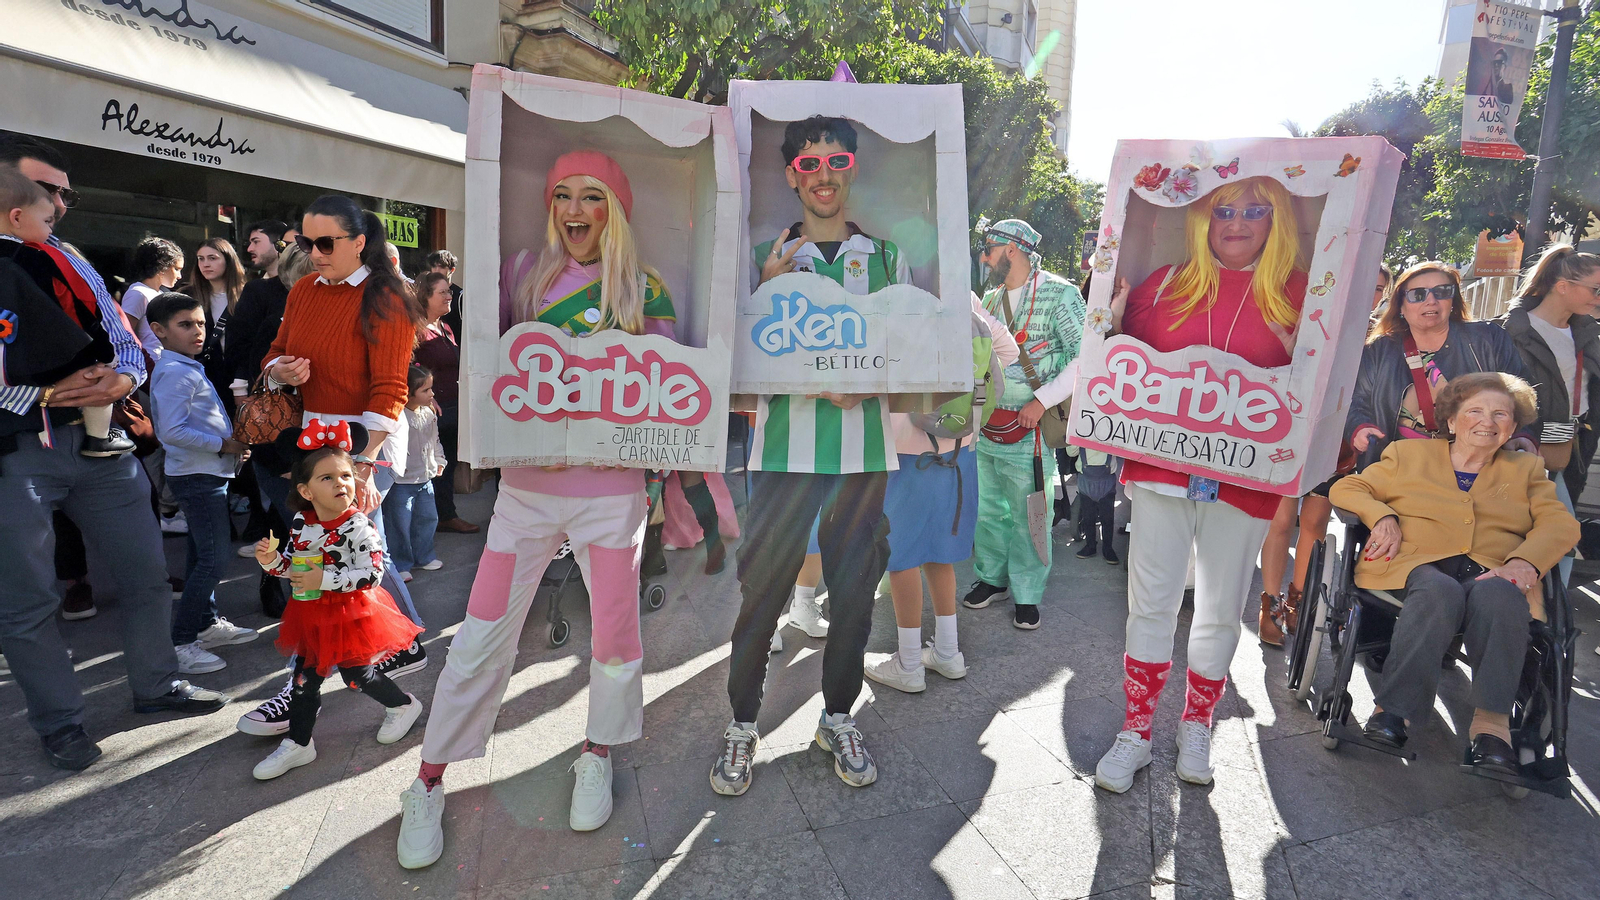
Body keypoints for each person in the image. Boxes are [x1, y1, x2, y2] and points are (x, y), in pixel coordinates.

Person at [398, 151, 675, 866]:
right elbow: (485, 364)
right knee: (482, 633)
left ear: (615, 207)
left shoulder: (647, 291)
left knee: (613, 634)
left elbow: (665, 400)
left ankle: (597, 750)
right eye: (561, 196)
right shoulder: (521, 273)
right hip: (524, 493)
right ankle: (429, 779)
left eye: (591, 196)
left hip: (611, 494)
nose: (574, 211)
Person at [0, 133, 228, 771]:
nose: (61, 204)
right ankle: (60, 723)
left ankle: (157, 686)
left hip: (102, 439)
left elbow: (124, 341)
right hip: (17, 449)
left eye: (65, 193)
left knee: (146, 573)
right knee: (27, 600)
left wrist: (125, 378)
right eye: (48, 191)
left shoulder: (70, 257)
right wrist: (40, 392)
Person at [1092, 176, 1309, 793]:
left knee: (1219, 609)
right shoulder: (1163, 285)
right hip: (1161, 471)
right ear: (1202, 219)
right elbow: (1111, 364)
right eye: (1223, 210)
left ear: (1278, 220)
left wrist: (1305, 353)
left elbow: (1318, 393)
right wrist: (1101, 314)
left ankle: (1198, 723)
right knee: (1151, 604)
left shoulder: (1301, 296)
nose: (1236, 222)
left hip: (1244, 483)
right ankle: (1135, 730)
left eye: (1254, 211)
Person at [711, 116, 902, 798]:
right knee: (761, 595)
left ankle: (838, 716)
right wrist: (764, 290)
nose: (824, 173)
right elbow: (733, 369)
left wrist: (872, 380)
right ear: (793, 174)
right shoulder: (765, 255)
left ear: (850, 169)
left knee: (853, 599)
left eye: (837, 159)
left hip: (864, 455)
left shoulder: (886, 259)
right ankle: (741, 725)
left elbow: (909, 356)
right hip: (784, 454)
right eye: (810, 162)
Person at [242, 194, 428, 738]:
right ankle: (395, 647)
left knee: (329, 559)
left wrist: (362, 466)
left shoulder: (386, 297)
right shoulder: (302, 290)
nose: (314, 253)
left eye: (326, 243)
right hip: (311, 437)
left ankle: (307, 684)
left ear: (359, 242)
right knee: (344, 556)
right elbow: (272, 352)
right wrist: (282, 369)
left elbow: (391, 387)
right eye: (304, 242)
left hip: (364, 442)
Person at [1331, 373, 1578, 774]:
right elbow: (1349, 489)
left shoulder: (1527, 469)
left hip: (1491, 570)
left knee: (1501, 597)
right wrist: (1383, 517)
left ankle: (1492, 728)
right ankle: (1393, 711)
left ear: (1513, 428)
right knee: (1438, 591)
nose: (1488, 421)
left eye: (1501, 414)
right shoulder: (1407, 455)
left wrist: (1524, 563)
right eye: (1475, 411)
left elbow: (1561, 526)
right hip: (1413, 564)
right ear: (1451, 420)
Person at [250, 421, 424, 780]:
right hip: (312, 612)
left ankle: (403, 705)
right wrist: (273, 562)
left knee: (356, 675)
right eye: (326, 478)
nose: (340, 483)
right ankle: (299, 743)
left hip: (351, 613)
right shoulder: (302, 522)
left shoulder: (360, 527)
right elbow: (298, 568)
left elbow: (372, 575)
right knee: (304, 679)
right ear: (306, 490)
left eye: (345, 475)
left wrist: (324, 578)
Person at [864, 296, 1019, 692]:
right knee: (940, 552)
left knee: (900, 556)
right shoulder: (963, 298)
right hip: (959, 444)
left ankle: (910, 661)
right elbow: (1008, 350)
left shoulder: (894, 296)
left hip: (904, 444)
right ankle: (948, 652)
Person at [961, 219, 1086, 630]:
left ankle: (1028, 593)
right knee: (987, 511)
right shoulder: (991, 299)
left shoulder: (1061, 293)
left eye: (990, 247)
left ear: (1013, 249)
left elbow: (1085, 356)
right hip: (987, 426)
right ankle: (991, 579)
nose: (984, 256)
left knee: (1032, 511)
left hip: (1030, 429)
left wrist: (1041, 400)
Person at [146, 291, 260, 674]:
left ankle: (206, 625)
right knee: (213, 559)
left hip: (208, 471)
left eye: (200, 323)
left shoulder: (186, 366)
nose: (198, 331)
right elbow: (171, 431)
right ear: (159, 331)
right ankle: (181, 643)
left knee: (200, 552)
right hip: (197, 476)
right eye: (185, 325)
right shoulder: (175, 372)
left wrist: (229, 447)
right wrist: (223, 444)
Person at [1346, 261, 1534, 472]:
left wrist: (1522, 436)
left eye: (1442, 292)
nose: (1431, 301)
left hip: (1476, 465)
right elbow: (1355, 400)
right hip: (1398, 467)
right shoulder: (1379, 350)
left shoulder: (1488, 339)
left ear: (1452, 300)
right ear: (1400, 305)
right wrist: (1360, 427)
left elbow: (1522, 396)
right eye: (1418, 294)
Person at [0, 169, 133, 459]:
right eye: (47, 221)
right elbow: (77, 306)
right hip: (57, 357)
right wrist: (104, 349)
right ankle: (99, 439)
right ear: (17, 217)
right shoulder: (41, 258)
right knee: (96, 375)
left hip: (13, 368)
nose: (52, 228)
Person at [1497, 244, 1600, 587]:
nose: (1598, 297)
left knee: (1560, 532)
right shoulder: (1511, 332)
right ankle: (1532, 607)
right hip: (1522, 444)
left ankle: (1546, 607)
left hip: (1573, 443)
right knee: (1551, 532)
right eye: (1595, 289)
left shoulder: (1589, 333)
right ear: (1563, 286)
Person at [411, 271, 477, 535]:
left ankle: (445, 515)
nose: (450, 296)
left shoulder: (446, 327)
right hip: (431, 411)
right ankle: (429, 522)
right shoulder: (415, 330)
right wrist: (426, 396)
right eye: (443, 292)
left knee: (446, 464)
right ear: (426, 297)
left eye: (450, 291)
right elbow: (409, 368)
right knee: (431, 466)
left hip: (453, 408)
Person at [382, 365, 446, 581]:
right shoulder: (398, 417)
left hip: (425, 477)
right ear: (408, 393)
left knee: (427, 518)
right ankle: (400, 563)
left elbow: (435, 440)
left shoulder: (428, 413)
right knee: (399, 523)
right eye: (426, 390)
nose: (432, 394)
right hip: (402, 481)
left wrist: (439, 460)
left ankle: (425, 556)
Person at [181, 238, 247, 408]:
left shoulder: (247, 295)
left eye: (212, 258)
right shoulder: (188, 296)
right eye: (200, 259)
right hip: (203, 377)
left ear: (228, 260)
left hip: (240, 378)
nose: (205, 264)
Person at [120, 236, 185, 361]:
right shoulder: (138, 293)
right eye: (176, 269)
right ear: (162, 266)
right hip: (146, 366)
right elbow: (124, 335)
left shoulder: (160, 294)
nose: (179, 276)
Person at [424, 249, 463, 338]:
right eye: (434, 266)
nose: (436, 270)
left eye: (441, 266)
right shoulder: (425, 292)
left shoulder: (460, 296)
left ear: (452, 270)